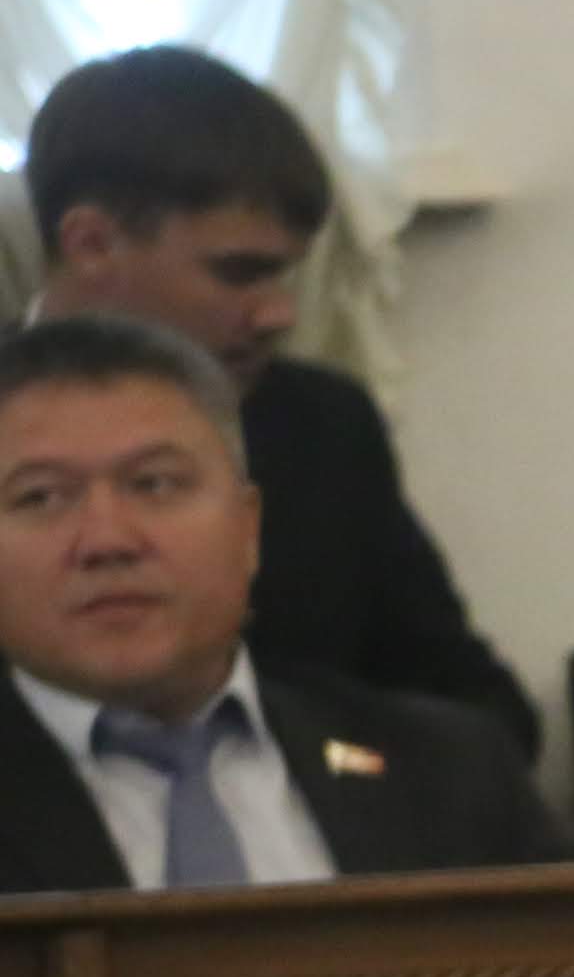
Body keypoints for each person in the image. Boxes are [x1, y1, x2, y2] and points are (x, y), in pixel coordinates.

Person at [24, 47, 539, 762]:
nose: (278, 314)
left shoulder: (324, 426)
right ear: (92, 245)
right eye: (239, 273)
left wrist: (323, 788)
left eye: (285, 276)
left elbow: (479, 709)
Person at [0, 313, 564, 896]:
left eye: (155, 484)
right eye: (40, 497)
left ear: (247, 529)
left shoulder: (451, 770)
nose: (107, 541)